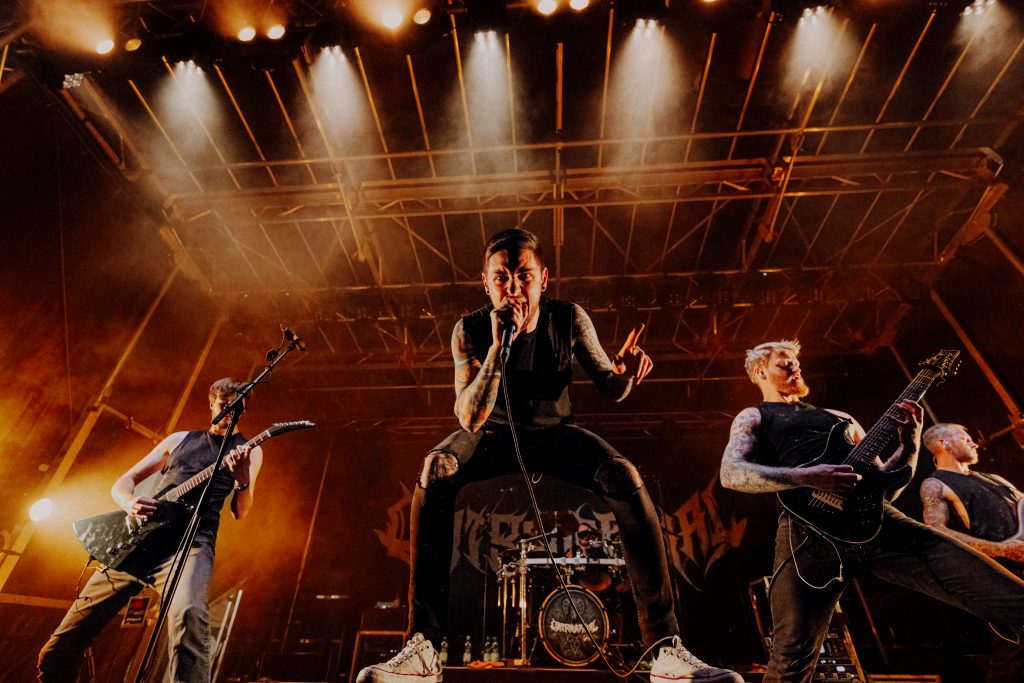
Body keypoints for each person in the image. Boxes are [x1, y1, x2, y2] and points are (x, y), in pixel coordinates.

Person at [357, 228, 742, 683]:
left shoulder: (569, 318)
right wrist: (500, 346)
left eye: (524, 276)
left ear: (543, 278)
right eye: (502, 278)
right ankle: (422, 648)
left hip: (555, 434)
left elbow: (611, 387)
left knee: (623, 475)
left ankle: (664, 649)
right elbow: (470, 418)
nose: (513, 288)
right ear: (486, 283)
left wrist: (626, 373)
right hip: (492, 435)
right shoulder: (470, 330)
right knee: (436, 468)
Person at [719, 340, 1024, 683]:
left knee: (1012, 598)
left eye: (797, 363)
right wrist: (806, 476)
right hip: (807, 537)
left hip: (880, 526)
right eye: (784, 363)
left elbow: (885, 489)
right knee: (791, 657)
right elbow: (731, 474)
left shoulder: (841, 419)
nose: (795, 368)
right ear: (761, 372)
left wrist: (910, 443)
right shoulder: (755, 416)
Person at [38, 378, 262, 683]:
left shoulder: (249, 451)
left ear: (244, 412)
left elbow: (240, 511)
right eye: (225, 404)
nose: (230, 412)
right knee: (61, 645)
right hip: (140, 539)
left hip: (190, 545)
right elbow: (123, 483)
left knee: (189, 614)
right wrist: (129, 502)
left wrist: (243, 479)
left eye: (238, 408)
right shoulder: (179, 439)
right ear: (212, 404)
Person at [920, 423, 1024, 683]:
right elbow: (937, 531)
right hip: (1001, 577)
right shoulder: (935, 484)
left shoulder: (996, 479)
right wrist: (1001, 549)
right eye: (965, 438)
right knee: (1013, 657)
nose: (974, 443)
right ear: (942, 444)